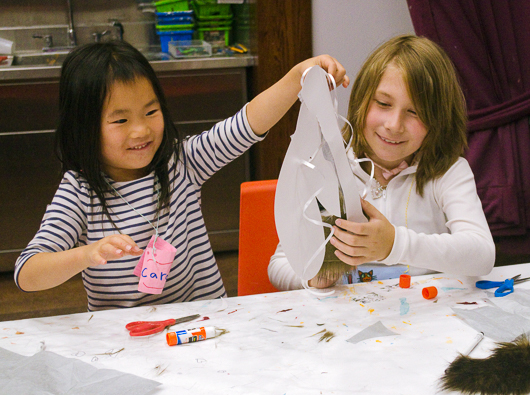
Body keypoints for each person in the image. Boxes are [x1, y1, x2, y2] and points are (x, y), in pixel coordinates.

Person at [14, 40, 349, 311]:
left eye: (151, 111)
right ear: (83, 127)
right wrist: (85, 254)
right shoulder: (80, 191)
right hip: (128, 338)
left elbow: (246, 126)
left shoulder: (181, 163)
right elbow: (28, 272)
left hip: (206, 318)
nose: (141, 130)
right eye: (120, 120)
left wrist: (297, 77)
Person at [268, 34, 495, 291]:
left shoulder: (449, 173)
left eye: (415, 112)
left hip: (428, 319)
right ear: (362, 99)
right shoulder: (325, 169)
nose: (394, 125)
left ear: (438, 120)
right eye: (384, 103)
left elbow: (482, 255)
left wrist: (394, 245)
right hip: (347, 320)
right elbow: (279, 264)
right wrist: (313, 277)